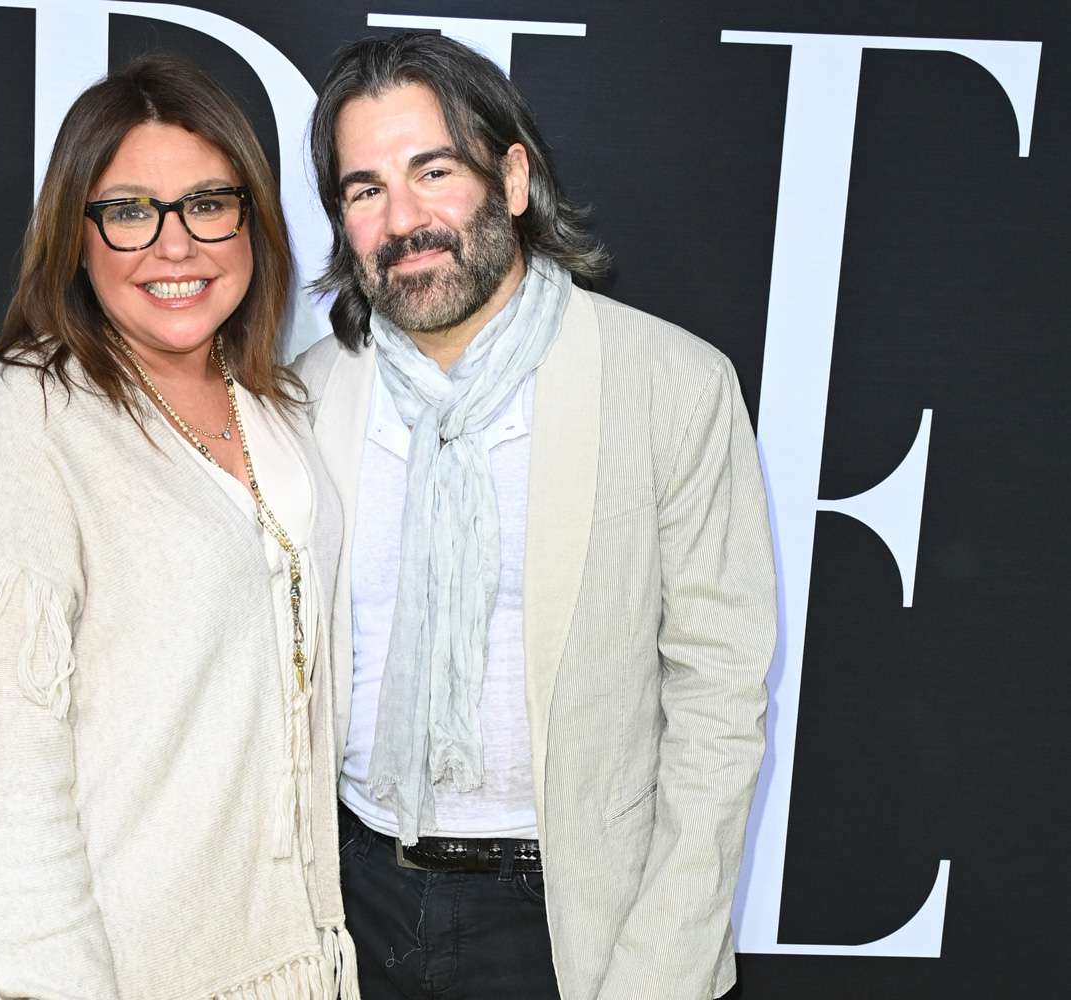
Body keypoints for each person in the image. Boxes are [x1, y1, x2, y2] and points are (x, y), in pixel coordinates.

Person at [294, 33, 776, 1000]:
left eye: (435, 171)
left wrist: (662, 968)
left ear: (512, 178)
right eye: (365, 188)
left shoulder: (670, 385)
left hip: (567, 917)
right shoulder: (303, 401)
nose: (404, 219)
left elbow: (720, 703)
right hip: (345, 907)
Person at [0, 55, 359, 1000]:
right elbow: (5, 801)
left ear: (253, 219)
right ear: (76, 237)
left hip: (277, 959)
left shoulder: (278, 406)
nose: (175, 245)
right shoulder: (24, 428)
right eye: (129, 211)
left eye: (207, 203)